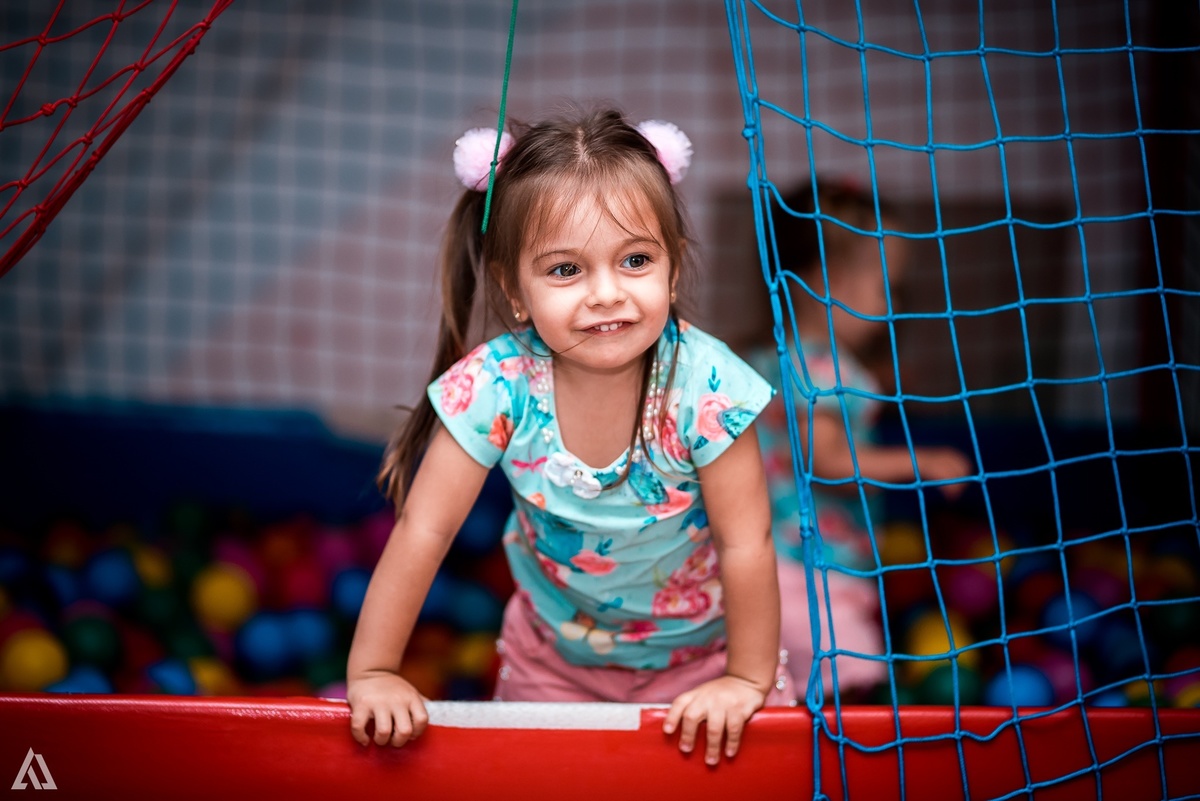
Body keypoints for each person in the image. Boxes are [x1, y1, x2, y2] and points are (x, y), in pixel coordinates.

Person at [347, 106, 796, 766]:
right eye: (566, 270)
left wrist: (746, 680)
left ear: (673, 267)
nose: (606, 294)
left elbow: (747, 542)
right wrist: (374, 671)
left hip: (706, 662)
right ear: (515, 288)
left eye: (635, 260)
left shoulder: (708, 388)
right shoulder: (497, 387)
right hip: (552, 664)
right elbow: (425, 530)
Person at [747, 178, 972, 702]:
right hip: (811, 573)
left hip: (763, 564)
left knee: (777, 688)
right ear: (827, 281)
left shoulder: (768, 358)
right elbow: (824, 460)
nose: (890, 306)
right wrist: (921, 461)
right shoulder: (827, 370)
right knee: (853, 682)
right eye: (884, 287)